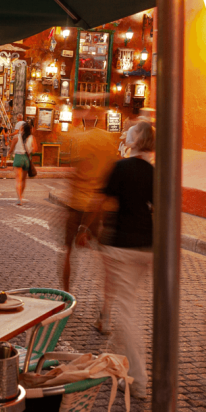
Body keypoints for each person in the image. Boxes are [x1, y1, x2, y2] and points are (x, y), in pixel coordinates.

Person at [78, 122, 154, 399]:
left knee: (126, 310)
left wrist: (84, 228)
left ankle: (138, 380)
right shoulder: (153, 172)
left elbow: (98, 202)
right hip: (146, 246)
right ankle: (118, 363)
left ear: (134, 141)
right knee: (128, 303)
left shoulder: (120, 167)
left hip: (121, 245)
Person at [61, 108, 120, 293]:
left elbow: (74, 171)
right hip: (101, 206)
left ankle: (66, 294)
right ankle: (106, 303)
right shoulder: (109, 139)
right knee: (105, 257)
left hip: (78, 203)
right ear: (101, 119)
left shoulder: (80, 138)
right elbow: (113, 170)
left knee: (67, 252)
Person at [10, 120, 36, 205]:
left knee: (18, 180)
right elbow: (34, 150)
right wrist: (29, 149)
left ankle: (19, 199)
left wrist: (10, 151)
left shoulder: (16, 137)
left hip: (18, 157)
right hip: (26, 159)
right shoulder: (32, 138)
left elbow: (10, 150)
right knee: (24, 180)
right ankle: (21, 195)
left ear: (22, 129)